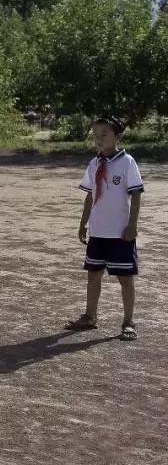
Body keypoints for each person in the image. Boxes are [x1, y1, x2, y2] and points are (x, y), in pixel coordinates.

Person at [65, 116, 143, 340]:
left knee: (125, 279)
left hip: (120, 233)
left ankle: (128, 321)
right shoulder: (94, 163)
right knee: (93, 275)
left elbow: (136, 194)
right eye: (95, 134)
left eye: (104, 134)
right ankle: (90, 316)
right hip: (98, 232)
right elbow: (90, 196)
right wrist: (83, 223)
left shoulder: (127, 162)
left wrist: (133, 224)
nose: (98, 139)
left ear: (117, 137)